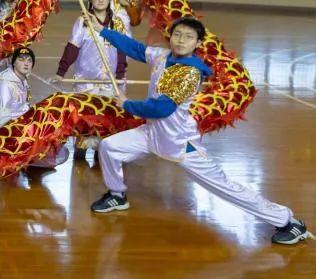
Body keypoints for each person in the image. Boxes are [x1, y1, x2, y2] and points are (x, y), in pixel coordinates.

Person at [88, 16, 310, 246]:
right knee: (109, 146)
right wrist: (102, 30)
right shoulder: (162, 56)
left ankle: (288, 222)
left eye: (188, 37)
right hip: (152, 134)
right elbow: (135, 48)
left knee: (225, 188)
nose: (181, 40)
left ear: (198, 43)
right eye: (177, 34)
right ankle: (116, 194)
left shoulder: (189, 73)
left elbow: (161, 108)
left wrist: (127, 104)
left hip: (180, 143)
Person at [0, 46, 70, 168]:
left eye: (29, 60)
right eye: (21, 59)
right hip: (11, 133)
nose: (26, 63)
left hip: (22, 125)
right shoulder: (5, 85)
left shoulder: (22, 81)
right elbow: (2, 120)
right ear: (13, 62)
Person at [50, 0, 129, 98]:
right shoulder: (83, 21)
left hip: (109, 84)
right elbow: (72, 49)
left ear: (110, 0)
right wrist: (60, 73)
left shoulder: (117, 23)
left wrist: (120, 76)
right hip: (85, 84)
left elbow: (121, 51)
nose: (101, 0)